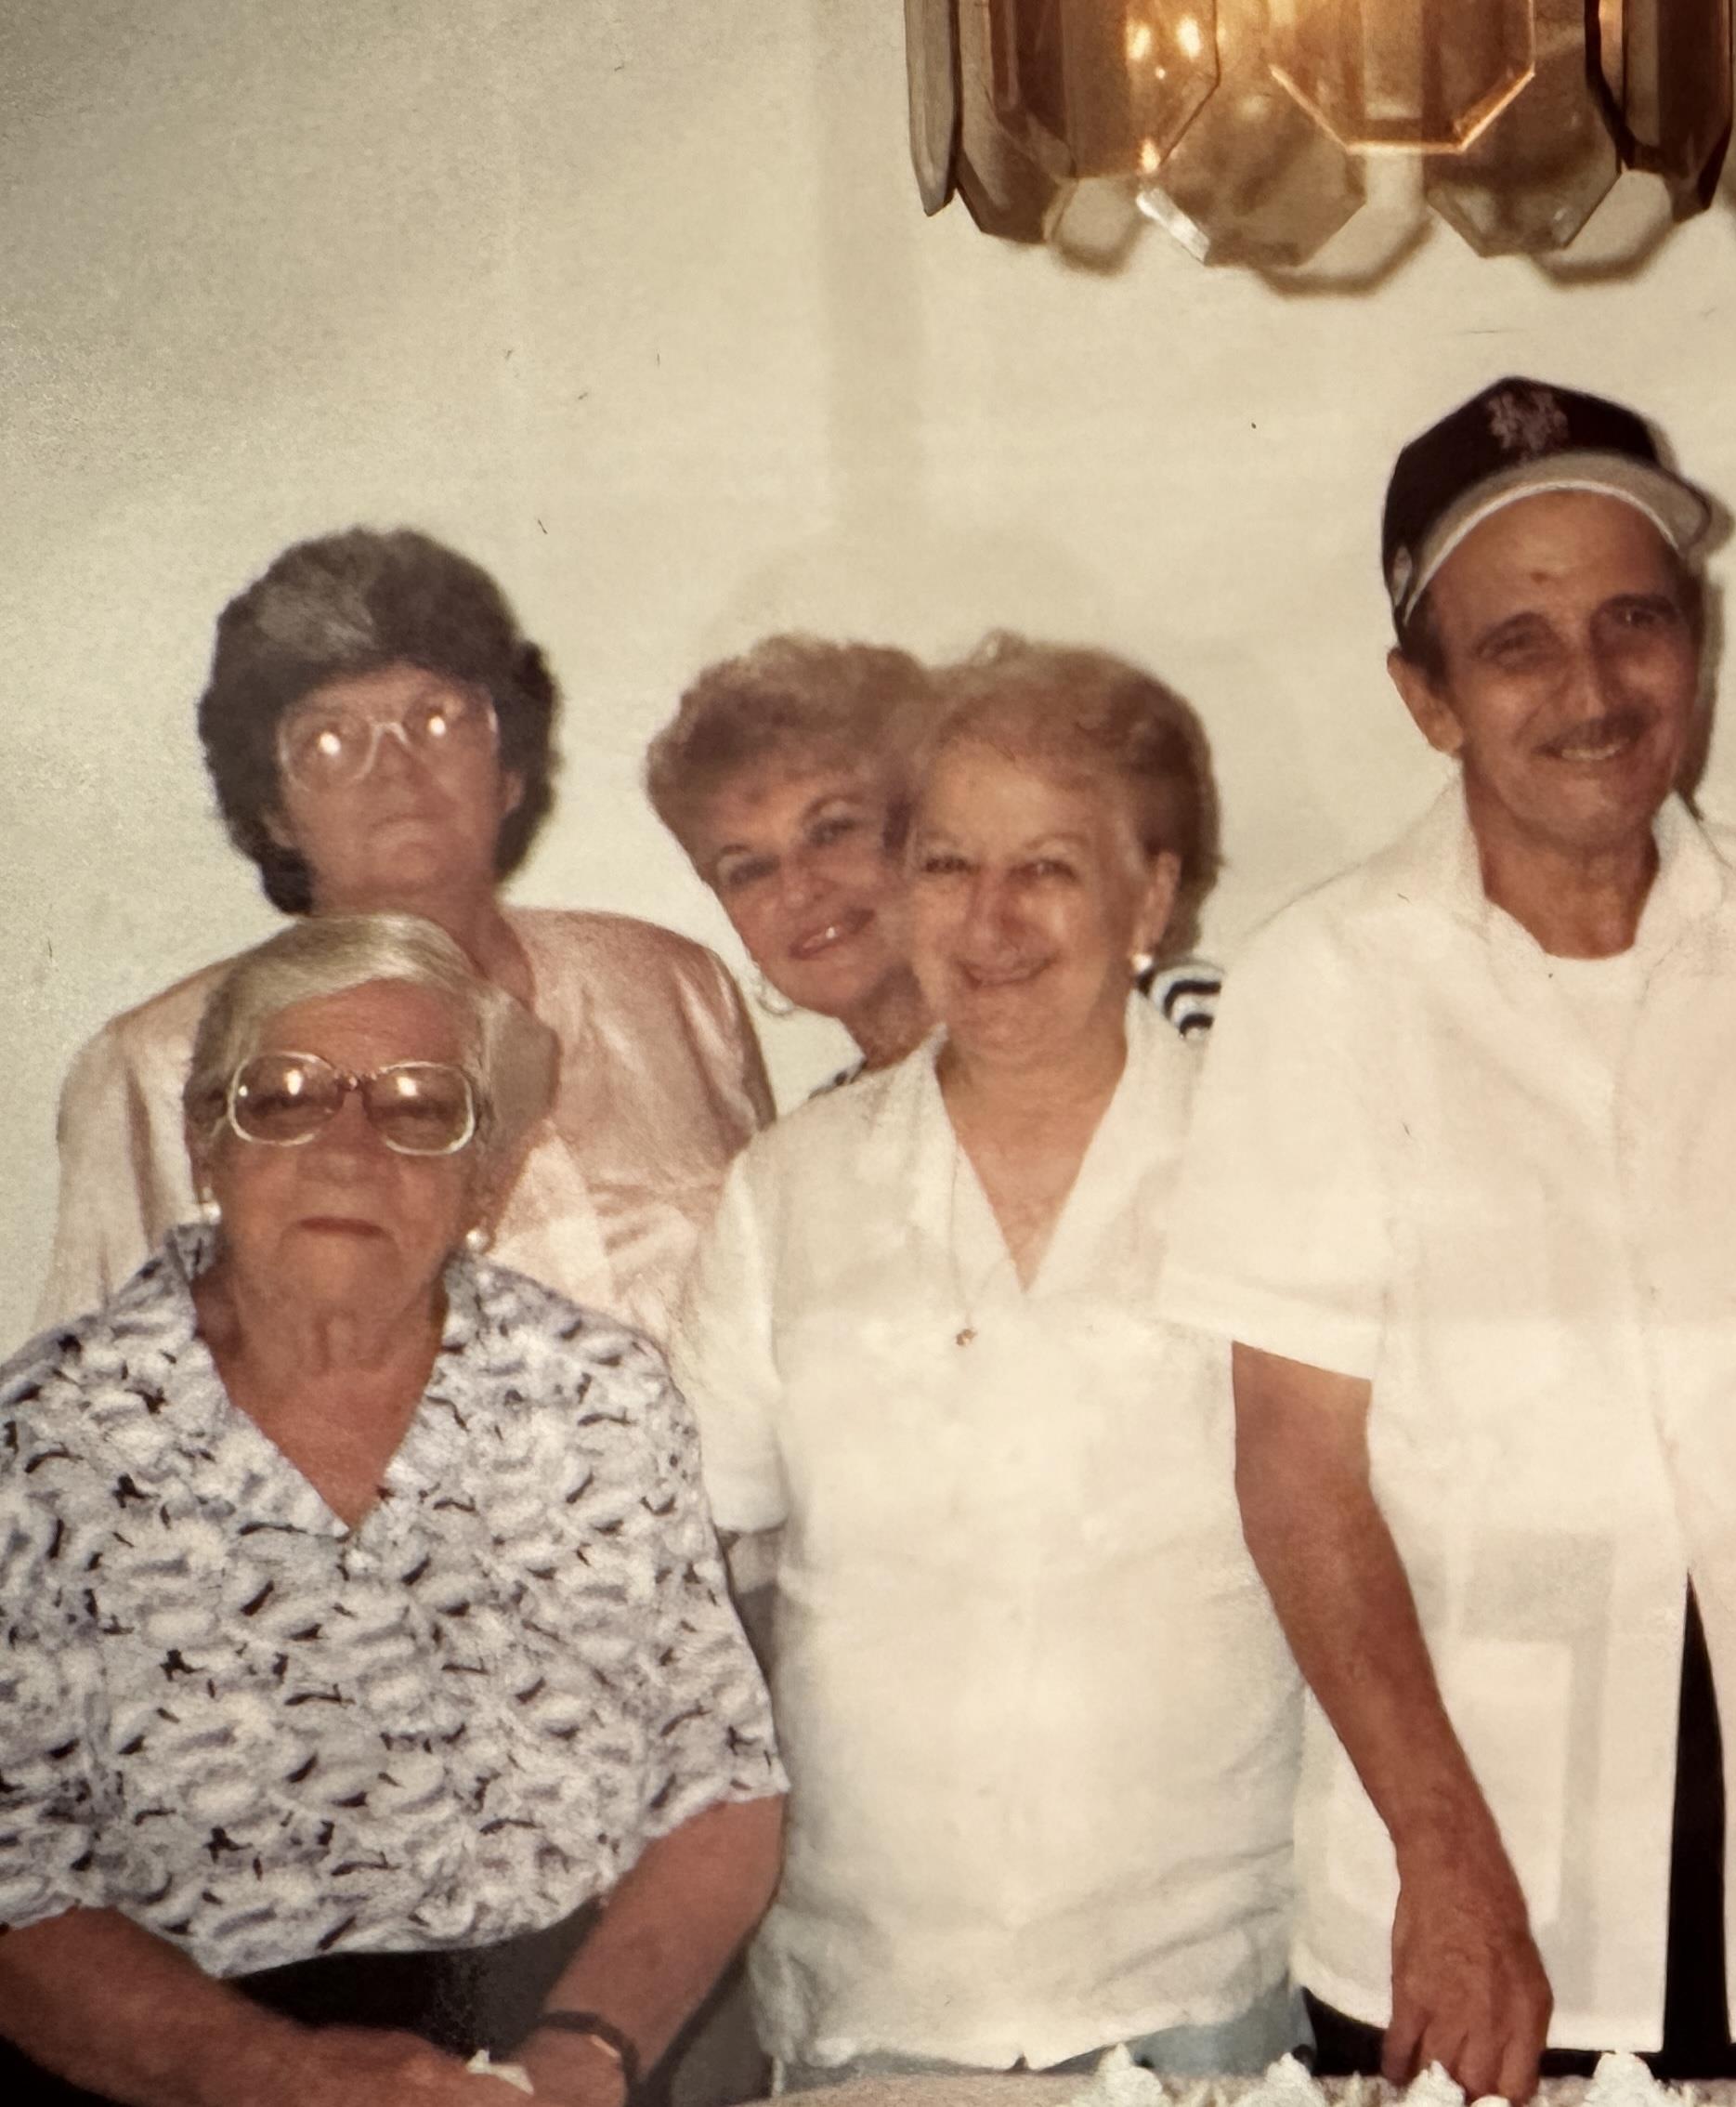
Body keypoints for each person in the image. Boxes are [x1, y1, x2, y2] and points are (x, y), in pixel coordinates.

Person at [1159, 379, 1736, 2104]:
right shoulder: (1324, 982)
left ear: (1694, 650)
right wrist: (1445, 1858)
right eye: (1517, 644)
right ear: (1427, 698)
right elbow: (1298, 1461)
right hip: (1476, 1878)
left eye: (1634, 621)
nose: (1592, 689)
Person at [0, 913, 786, 2107]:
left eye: (420, 1108)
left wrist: (583, 2058)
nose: (349, 1149)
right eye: (285, 1097)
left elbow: (720, 1787)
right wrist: (264, 2072)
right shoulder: (47, 1439)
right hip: (168, 2065)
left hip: (547, 2045)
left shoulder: (594, 1397)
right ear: (209, 1146)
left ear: (490, 1171)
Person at [669, 639, 1303, 2088]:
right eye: (948, 865)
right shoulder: (793, 1186)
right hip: (870, 1992)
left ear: (1153, 891)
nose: (991, 919)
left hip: (1199, 1979)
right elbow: (695, 1558)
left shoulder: (1275, 1155)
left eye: (1051, 870)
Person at [40, 530, 774, 1340]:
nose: (394, 770)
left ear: (510, 767)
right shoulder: (156, 1065)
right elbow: (96, 1405)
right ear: (273, 808)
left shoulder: (673, 987)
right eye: (329, 740)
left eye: (437, 720)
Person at [646, 637, 940, 1091]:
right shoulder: (808, 1148)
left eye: (831, 832)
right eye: (750, 870)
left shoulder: (1064, 1066)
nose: (798, 890)